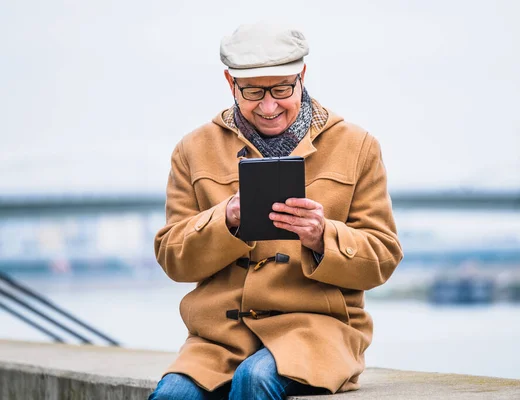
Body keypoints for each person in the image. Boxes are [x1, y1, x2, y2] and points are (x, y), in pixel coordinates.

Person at [149, 22, 403, 400]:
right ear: (230, 83)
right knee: (172, 395)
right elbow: (173, 259)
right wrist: (226, 221)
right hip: (218, 341)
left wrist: (322, 237)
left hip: (317, 331)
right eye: (253, 92)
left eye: (282, 89)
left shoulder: (357, 146)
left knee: (256, 378)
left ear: (302, 76)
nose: (269, 107)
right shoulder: (192, 149)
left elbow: (382, 256)